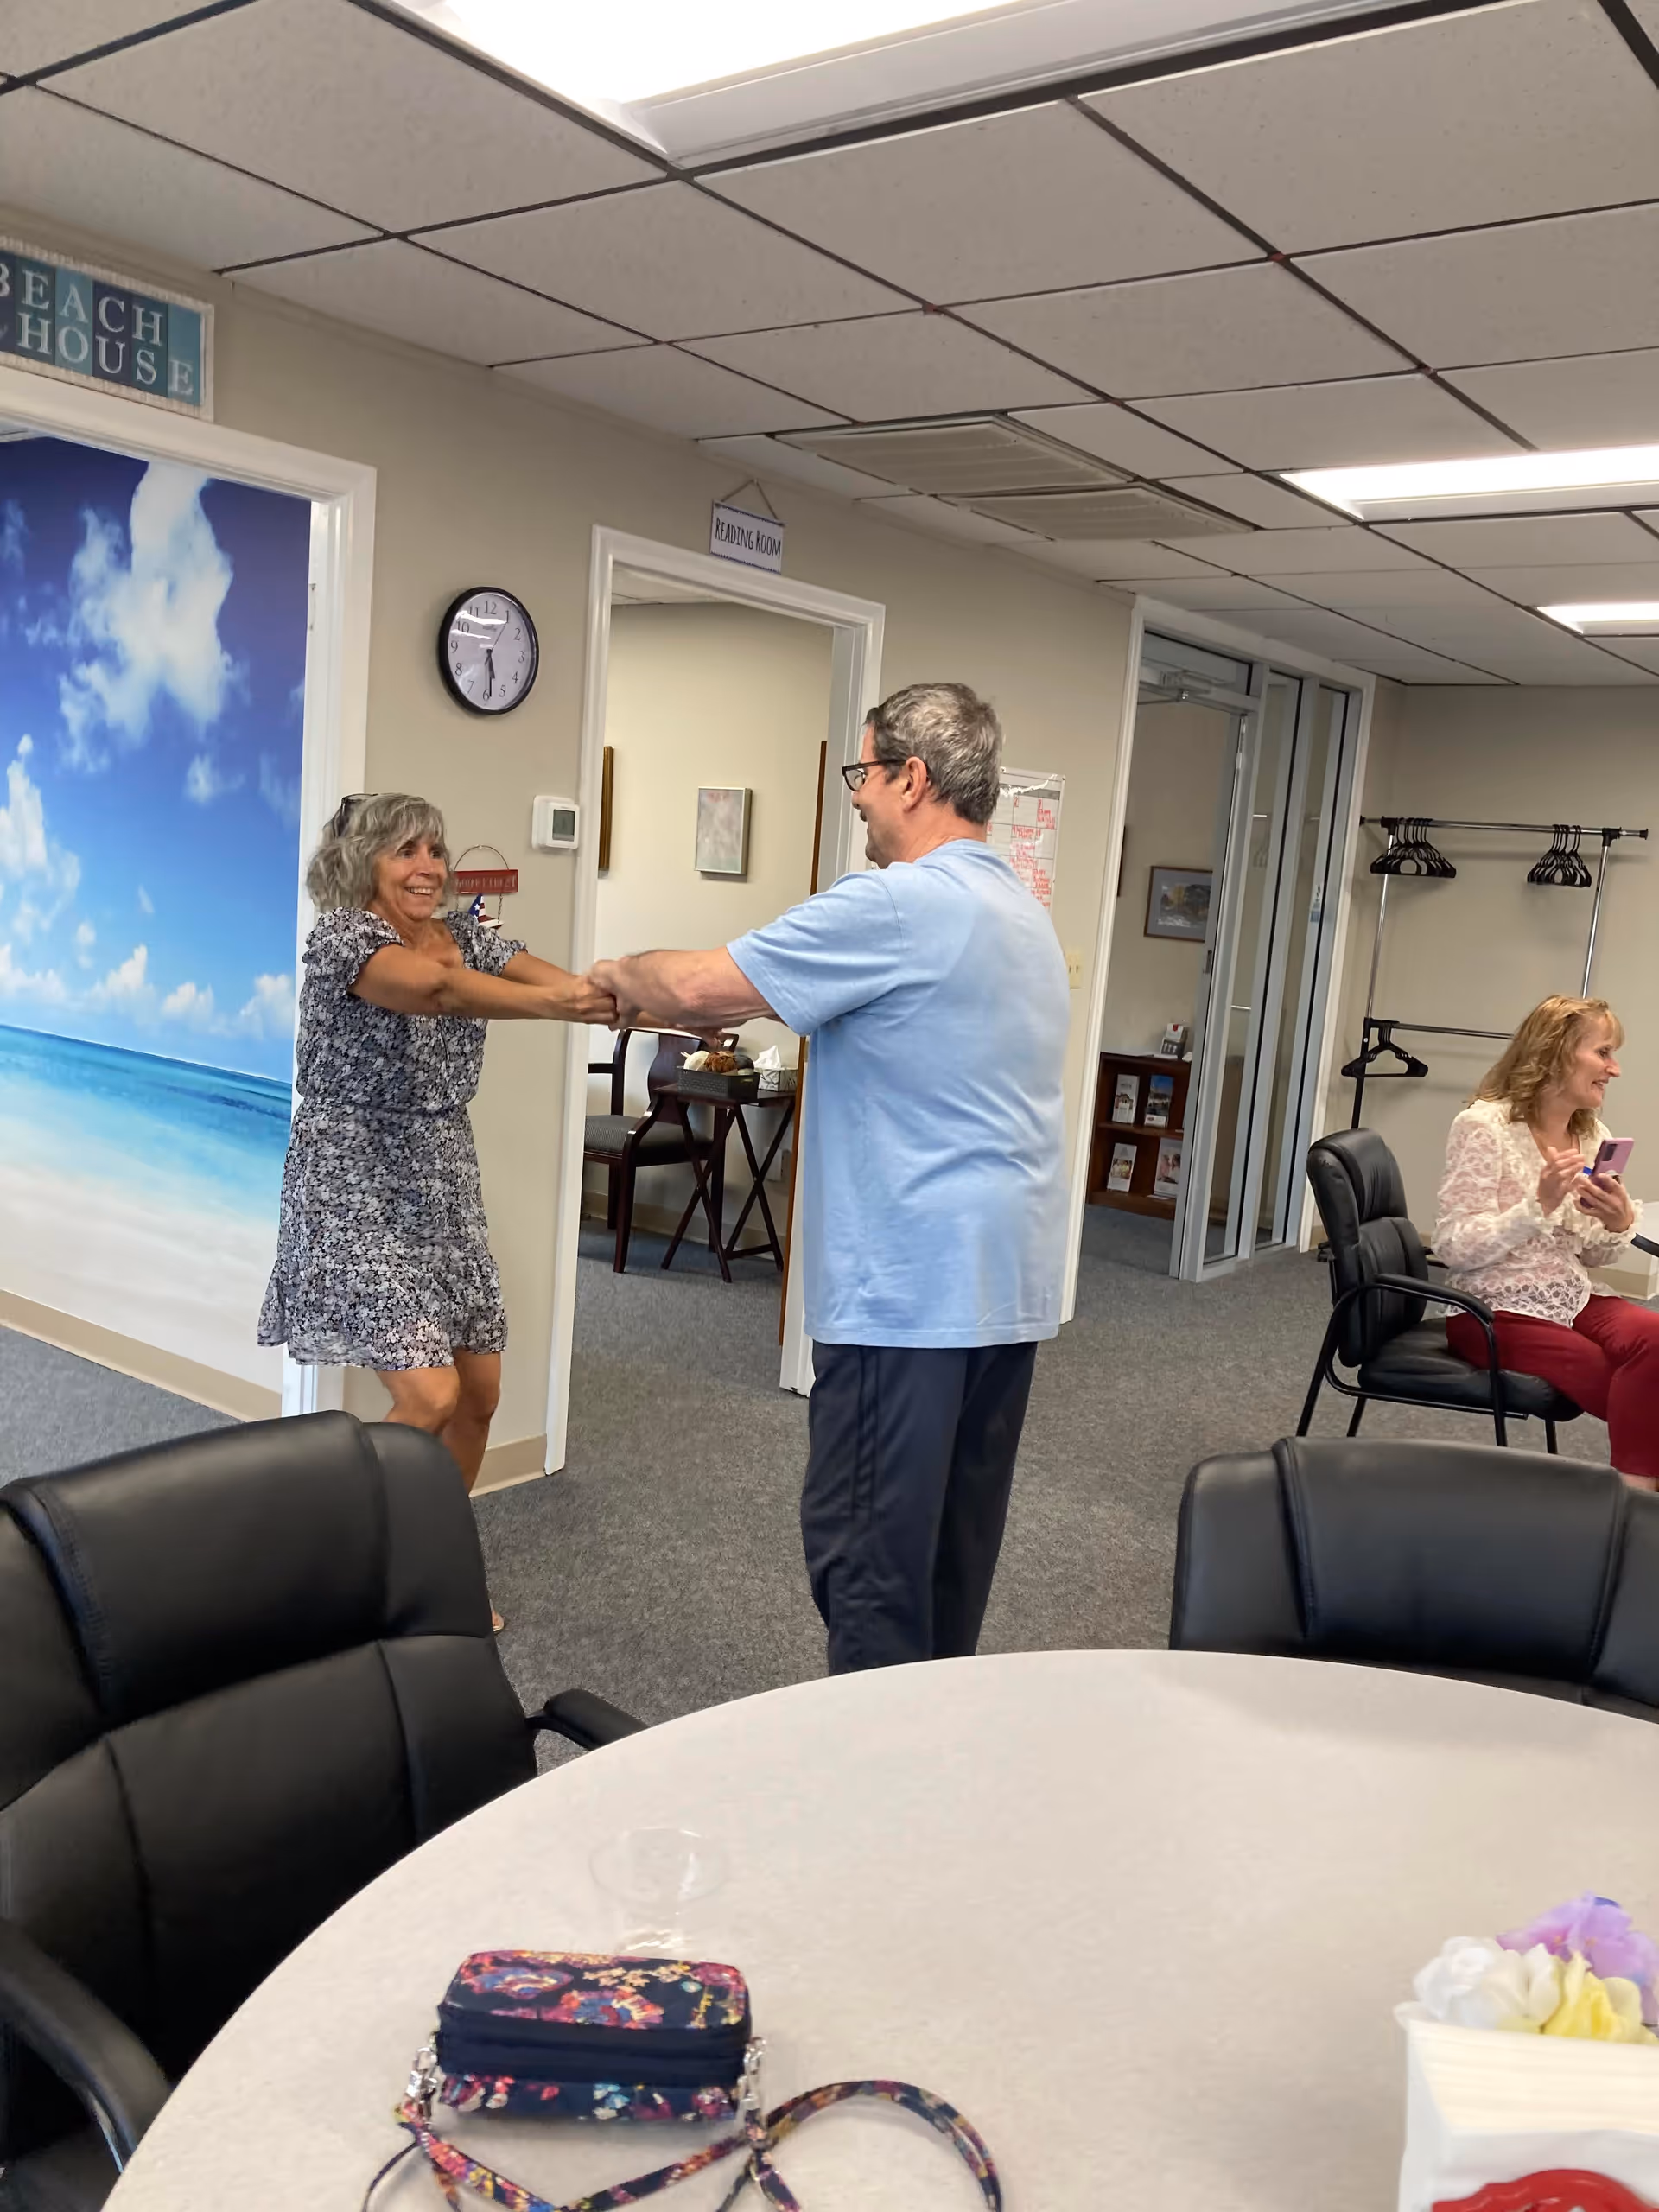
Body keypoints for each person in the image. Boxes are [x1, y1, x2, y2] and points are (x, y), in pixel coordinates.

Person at [590, 683, 1070, 1672]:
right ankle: (932, 1768)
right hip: (1005, 1292)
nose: (857, 796)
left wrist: (616, 974)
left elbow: (691, 986)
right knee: (947, 1563)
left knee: (869, 1569)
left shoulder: (898, 904)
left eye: (865, 773)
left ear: (912, 777)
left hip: (904, 1296)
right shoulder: (1019, 913)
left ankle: (868, 1796)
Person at [260, 793, 613, 1560]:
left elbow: (560, 981)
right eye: (405, 851)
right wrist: (568, 1006)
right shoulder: (342, 940)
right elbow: (435, 992)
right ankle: (319, 1547)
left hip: (442, 1177)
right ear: (363, 864)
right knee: (429, 1394)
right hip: (350, 1178)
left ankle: (431, 1566)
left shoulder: (467, 939)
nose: (427, 868)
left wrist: (629, 1003)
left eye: (434, 851)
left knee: (479, 1397)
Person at [1434, 994, 1657, 1486]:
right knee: (1626, 1384)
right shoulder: (1484, 1126)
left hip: (1572, 1294)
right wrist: (1535, 1208)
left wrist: (1618, 1223)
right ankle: (1633, 1505)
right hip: (1492, 1310)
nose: (1614, 1069)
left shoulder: (1594, 1135)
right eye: (1603, 1053)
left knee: (1655, 1341)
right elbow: (1452, 1246)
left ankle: (1631, 1503)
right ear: (1556, 1051)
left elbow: (1593, 1254)